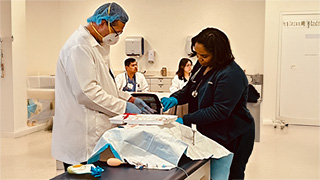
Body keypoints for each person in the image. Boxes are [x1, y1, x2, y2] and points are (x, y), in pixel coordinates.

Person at [52, 2, 154, 171]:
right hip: (81, 137)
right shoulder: (79, 46)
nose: (117, 37)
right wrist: (124, 107)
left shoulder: (98, 45)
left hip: (95, 136)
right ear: (102, 23)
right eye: (116, 32)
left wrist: (130, 98)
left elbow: (106, 86)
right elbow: (87, 93)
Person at [161, 27, 255, 180]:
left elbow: (219, 110)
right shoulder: (202, 65)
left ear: (218, 54)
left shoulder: (231, 74)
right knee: (211, 173)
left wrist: (186, 119)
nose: (199, 58)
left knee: (231, 174)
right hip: (212, 131)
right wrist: (176, 98)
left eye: (204, 55)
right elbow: (190, 88)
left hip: (233, 134)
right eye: (197, 54)